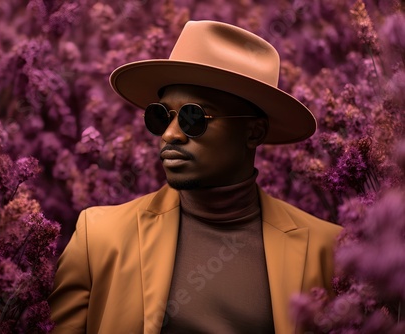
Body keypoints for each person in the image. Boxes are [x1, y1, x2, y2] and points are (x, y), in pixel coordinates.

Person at [49, 20, 342, 334]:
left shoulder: (326, 250)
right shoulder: (99, 238)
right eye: (160, 116)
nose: (170, 134)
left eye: (194, 117)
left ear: (253, 131)